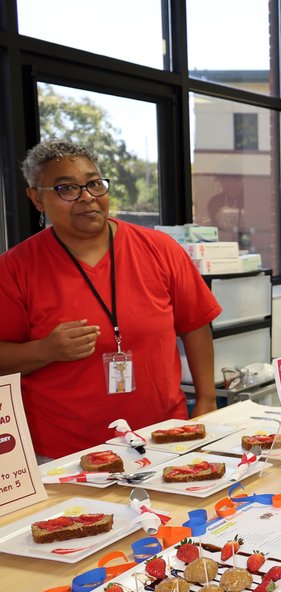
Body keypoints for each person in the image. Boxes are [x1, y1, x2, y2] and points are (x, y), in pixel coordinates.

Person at [0, 139, 221, 459]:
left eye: (93, 184)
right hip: (63, 449)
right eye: (67, 188)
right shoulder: (15, 268)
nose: (87, 197)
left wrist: (206, 401)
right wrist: (44, 350)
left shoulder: (160, 249)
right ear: (37, 198)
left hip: (163, 435)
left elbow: (196, 325)